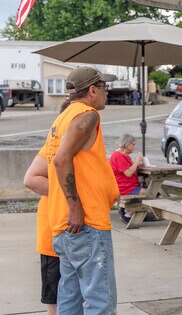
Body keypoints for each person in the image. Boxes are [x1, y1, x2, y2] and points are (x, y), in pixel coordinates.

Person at [45, 66, 120, 315]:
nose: (107, 92)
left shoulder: (62, 118)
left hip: (64, 226)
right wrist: (76, 207)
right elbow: (61, 160)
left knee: (70, 298)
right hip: (86, 222)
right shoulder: (88, 116)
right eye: (104, 88)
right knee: (101, 301)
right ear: (92, 90)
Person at [23, 149, 60, 315]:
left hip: (66, 234)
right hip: (52, 238)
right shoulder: (52, 148)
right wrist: (72, 194)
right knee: (53, 294)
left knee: (66, 292)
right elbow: (30, 179)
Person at [109, 133, 145, 224]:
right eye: (133, 144)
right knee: (150, 193)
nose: (134, 146)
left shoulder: (124, 155)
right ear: (127, 144)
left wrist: (137, 165)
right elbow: (128, 173)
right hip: (125, 188)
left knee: (150, 191)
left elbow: (129, 168)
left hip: (129, 186)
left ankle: (129, 209)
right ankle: (128, 214)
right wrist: (137, 161)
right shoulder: (118, 156)